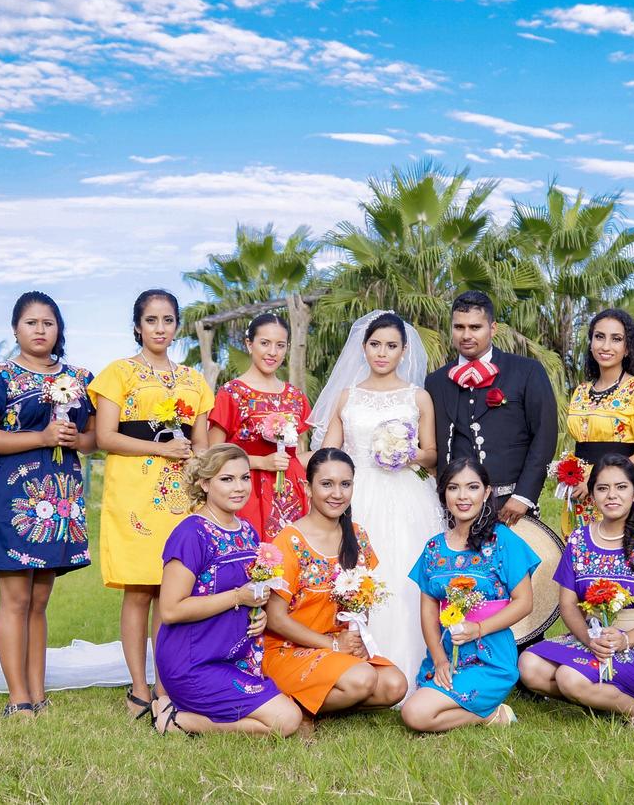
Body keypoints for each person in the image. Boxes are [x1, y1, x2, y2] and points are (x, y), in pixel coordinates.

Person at [0, 291, 95, 718]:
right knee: (15, 599)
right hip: (11, 501)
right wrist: (41, 438)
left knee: (39, 600)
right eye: (32, 323)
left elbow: (92, 439)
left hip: (58, 498)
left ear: (59, 330)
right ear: (15, 328)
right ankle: (18, 698)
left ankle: (38, 693)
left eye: (48, 323)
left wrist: (76, 440)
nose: (40, 330)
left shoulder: (79, 378)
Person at [88, 288, 213, 722]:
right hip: (133, 496)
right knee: (138, 589)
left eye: (168, 320)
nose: (160, 328)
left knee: (171, 591)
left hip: (180, 497)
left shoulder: (194, 380)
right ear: (137, 325)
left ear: (177, 326)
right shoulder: (116, 374)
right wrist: (160, 450)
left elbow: (200, 445)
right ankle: (138, 687)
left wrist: (198, 466)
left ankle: (166, 684)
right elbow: (104, 437)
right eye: (151, 320)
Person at [309, 310, 442, 684]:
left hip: (405, 493)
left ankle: (409, 663)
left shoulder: (418, 397)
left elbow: (430, 454)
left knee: (402, 576)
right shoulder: (346, 396)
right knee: (353, 575)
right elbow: (329, 453)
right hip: (356, 491)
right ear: (363, 348)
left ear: (404, 352)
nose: (382, 353)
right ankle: (352, 667)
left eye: (391, 346)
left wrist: (405, 453)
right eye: (375, 345)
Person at [519, 455, 634, 725]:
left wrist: (625, 640)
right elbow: (568, 604)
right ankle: (601, 699)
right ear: (593, 493)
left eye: (621, 487)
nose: (612, 496)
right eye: (602, 488)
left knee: (568, 677)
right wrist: (590, 640)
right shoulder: (579, 540)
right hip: (593, 637)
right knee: (529, 667)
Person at [151, 444, 302, 737]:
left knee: (288, 715)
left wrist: (257, 612)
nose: (239, 487)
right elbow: (170, 610)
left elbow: (248, 589)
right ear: (204, 483)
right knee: (286, 720)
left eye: (245, 478)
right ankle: (182, 720)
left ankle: (188, 715)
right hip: (193, 661)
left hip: (234, 656)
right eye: (227, 479)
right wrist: (237, 598)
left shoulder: (246, 530)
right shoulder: (191, 533)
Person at [263, 449, 409, 721]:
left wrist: (358, 639)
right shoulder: (289, 541)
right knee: (363, 679)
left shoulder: (357, 535)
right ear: (307, 488)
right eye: (326, 484)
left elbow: (362, 599)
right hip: (289, 650)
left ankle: (317, 701)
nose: (337, 493)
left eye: (345, 484)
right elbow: (274, 618)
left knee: (395, 686)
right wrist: (331, 644)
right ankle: (298, 708)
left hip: (338, 649)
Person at [399, 459, 540, 732]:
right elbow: (428, 611)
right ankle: (489, 715)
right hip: (446, 654)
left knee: (415, 714)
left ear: (487, 492)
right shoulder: (434, 548)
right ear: (444, 494)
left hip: (490, 656)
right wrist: (439, 658)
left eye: (472, 487)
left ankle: (489, 711)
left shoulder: (502, 540)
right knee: (415, 710)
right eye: (454, 488)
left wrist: (478, 628)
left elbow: (524, 602)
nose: (463, 496)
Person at [424, 290, 556, 525]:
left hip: (512, 506)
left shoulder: (527, 371)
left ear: (492, 328)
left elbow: (544, 437)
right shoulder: (435, 381)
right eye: (459, 327)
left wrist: (523, 496)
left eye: (475, 327)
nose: (466, 335)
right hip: (457, 508)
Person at [209, 312, 312, 542]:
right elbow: (212, 453)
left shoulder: (295, 396)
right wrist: (260, 462)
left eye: (280, 345)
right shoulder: (232, 393)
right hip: (247, 491)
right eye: (265, 343)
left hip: (292, 492)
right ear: (249, 344)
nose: (272, 352)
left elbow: (300, 451)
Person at [561, 308, 634, 533]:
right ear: (590, 343)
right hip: (580, 497)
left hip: (617, 494)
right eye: (599, 337)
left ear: (627, 349)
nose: (606, 346)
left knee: (619, 559)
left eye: (616, 339)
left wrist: (597, 475)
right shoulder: (581, 391)